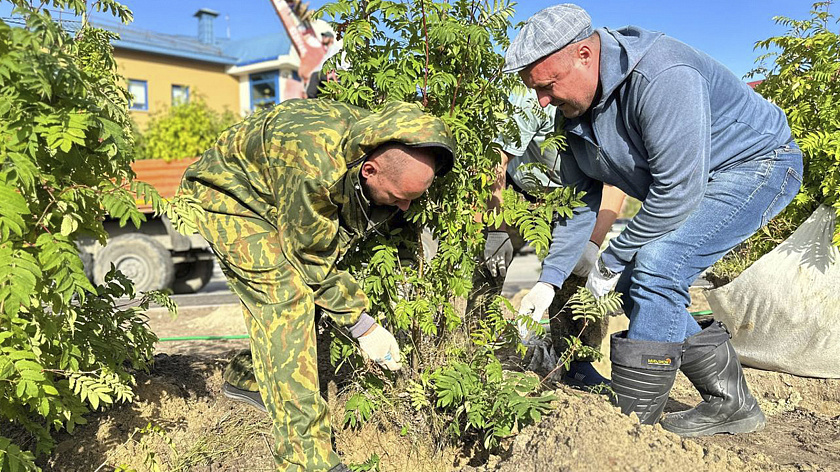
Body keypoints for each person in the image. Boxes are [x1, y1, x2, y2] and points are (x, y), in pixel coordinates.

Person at [503, 4, 802, 436]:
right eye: (535, 90)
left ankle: (632, 428)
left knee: (659, 266)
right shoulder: (573, 112)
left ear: (584, 54)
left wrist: (614, 255)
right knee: (634, 279)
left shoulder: (662, 75)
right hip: (696, 182)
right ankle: (730, 401)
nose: (542, 100)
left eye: (548, 85)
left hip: (759, 165)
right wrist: (549, 280)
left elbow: (678, 190)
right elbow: (578, 198)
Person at [178, 99, 455, 472]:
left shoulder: (376, 139)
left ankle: (248, 375)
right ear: (368, 170)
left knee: (311, 298)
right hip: (228, 194)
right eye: (400, 198)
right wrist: (364, 326)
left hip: (276, 188)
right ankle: (305, 459)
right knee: (286, 299)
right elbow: (311, 261)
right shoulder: (315, 167)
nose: (404, 208)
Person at [469, 88, 626, 387]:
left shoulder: (615, 120)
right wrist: (497, 229)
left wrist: (591, 244)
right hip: (516, 192)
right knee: (485, 268)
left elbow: (616, 186)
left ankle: (577, 363)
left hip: (572, 200)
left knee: (584, 279)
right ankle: (474, 349)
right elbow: (496, 161)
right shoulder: (536, 102)